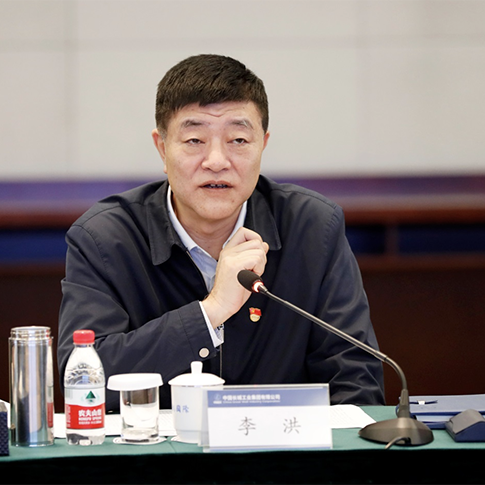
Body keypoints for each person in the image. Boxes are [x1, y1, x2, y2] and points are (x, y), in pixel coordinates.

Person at [57, 54, 385, 411]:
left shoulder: (312, 228)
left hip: (282, 445)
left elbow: (356, 381)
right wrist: (209, 313)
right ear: (162, 148)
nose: (216, 161)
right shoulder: (105, 239)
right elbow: (85, 382)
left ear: (263, 145)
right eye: (194, 140)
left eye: (238, 140)